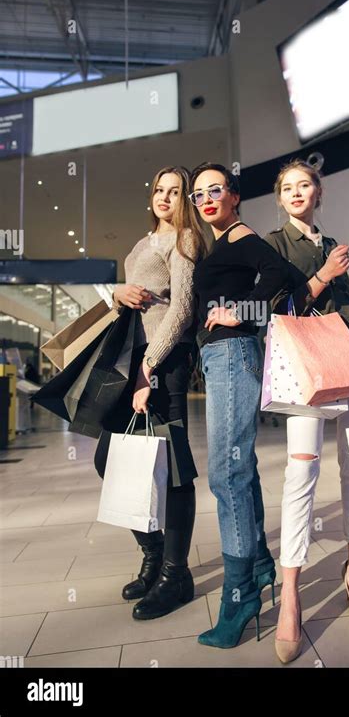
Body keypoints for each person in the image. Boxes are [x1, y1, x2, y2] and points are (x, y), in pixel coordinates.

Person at [264, 158, 349, 664]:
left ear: (318, 193)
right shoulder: (273, 243)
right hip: (305, 354)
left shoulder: (333, 243)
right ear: (279, 196)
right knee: (301, 472)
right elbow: (273, 304)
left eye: (304, 184)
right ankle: (290, 594)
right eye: (287, 186)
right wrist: (322, 277)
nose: (296, 192)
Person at [94, 165, 206, 620]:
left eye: (175, 191)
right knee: (110, 458)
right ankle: (155, 555)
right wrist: (118, 293)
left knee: (174, 468)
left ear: (185, 201)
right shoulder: (142, 245)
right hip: (132, 360)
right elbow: (129, 304)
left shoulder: (186, 240)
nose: (164, 197)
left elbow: (182, 309)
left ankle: (176, 574)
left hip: (166, 362)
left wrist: (149, 366)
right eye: (159, 189)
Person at [190, 162, 294, 648]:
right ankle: (257, 565)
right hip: (223, 357)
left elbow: (281, 273)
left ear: (234, 195)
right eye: (198, 194)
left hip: (232, 353)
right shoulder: (221, 241)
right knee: (240, 467)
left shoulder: (239, 235)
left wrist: (243, 311)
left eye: (215, 189)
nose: (206, 198)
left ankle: (239, 596)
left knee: (225, 474)